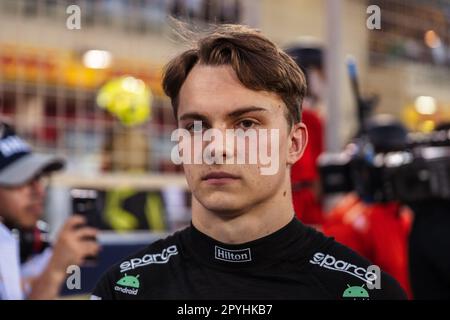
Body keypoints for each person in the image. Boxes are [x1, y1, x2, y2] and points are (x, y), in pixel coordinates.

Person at [91, 23, 406, 300]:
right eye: (195, 127)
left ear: (294, 144)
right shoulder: (123, 290)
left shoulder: (366, 291)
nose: (216, 147)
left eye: (246, 124)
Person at [0, 122, 99, 300]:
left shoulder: (21, 244)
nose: (39, 190)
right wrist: (55, 271)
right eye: (22, 180)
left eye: (38, 178)